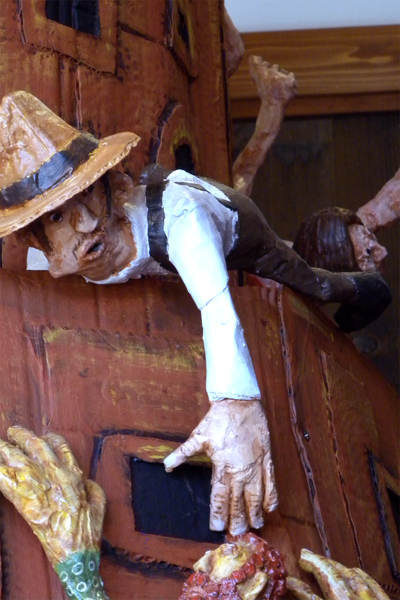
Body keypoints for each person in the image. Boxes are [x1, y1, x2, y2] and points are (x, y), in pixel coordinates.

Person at [0, 91, 392, 536]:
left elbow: (216, 304)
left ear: (111, 185)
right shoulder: (47, 262)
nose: (87, 223)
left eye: (89, 192)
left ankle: (367, 289)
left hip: (235, 230)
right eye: (57, 218)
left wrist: (236, 405)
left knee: (311, 283)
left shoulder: (182, 219)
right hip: (165, 259)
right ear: (34, 237)